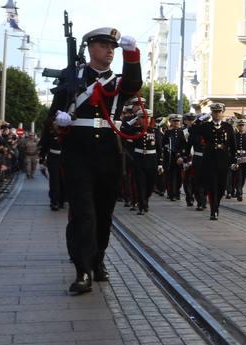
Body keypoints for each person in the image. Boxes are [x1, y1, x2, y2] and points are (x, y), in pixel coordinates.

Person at [40, 26, 142, 294]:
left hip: (109, 153)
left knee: (103, 212)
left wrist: (132, 57)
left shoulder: (118, 82)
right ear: (91, 48)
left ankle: (98, 259)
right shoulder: (72, 76)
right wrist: (58, 121)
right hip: (78, 153)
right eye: (104, 46)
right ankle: (82, 269)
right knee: (83, 213)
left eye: (113, 48)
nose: (110, 51)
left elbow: (134, 85)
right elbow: (52, 114)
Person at [191, 102, 237, 221]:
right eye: (214, 112)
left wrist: (234, 160)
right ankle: (214, 210)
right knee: (212, 187)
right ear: (211, 113)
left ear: (222, 113)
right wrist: (199, 119)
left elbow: (233, 145)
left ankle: (216, 204)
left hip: (223, 160)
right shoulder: (206, 126)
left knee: (221, 187)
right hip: (209, 160)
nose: (217, 114)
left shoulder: (228, 127)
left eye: (219, 112)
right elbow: (192, 130)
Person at [125, 108, 159, 215]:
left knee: (150, 184)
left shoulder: (155, 131)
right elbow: (123, 129)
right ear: (139, 119)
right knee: (140, 184)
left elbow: (160, 148)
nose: (145, 120)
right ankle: (142, 205)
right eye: (143, 118)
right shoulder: (135, 130)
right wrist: (134, 120)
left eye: (147, 118)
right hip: (139, 160)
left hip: (152, 159)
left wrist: (160, 163)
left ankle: (146, 199)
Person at [41, 117, 65, 211]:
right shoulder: (49, 133)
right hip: (53, 157)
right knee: (54, 180)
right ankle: (54, 201)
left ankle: (62, 200)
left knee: (63, 179)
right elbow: (44, 144)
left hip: (64, 158)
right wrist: (42, 158)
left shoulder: (66, 131)